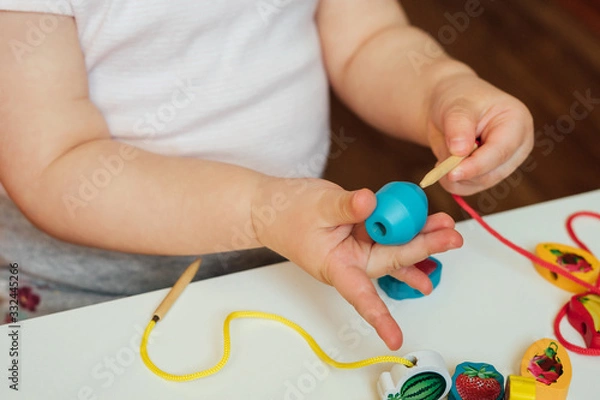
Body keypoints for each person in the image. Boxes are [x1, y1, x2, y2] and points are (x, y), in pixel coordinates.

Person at [0, 0, 533, 350]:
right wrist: (261, 209)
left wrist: (442, 89)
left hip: (281, 251)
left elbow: (366, 40)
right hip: (81, 290)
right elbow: (56, 165)